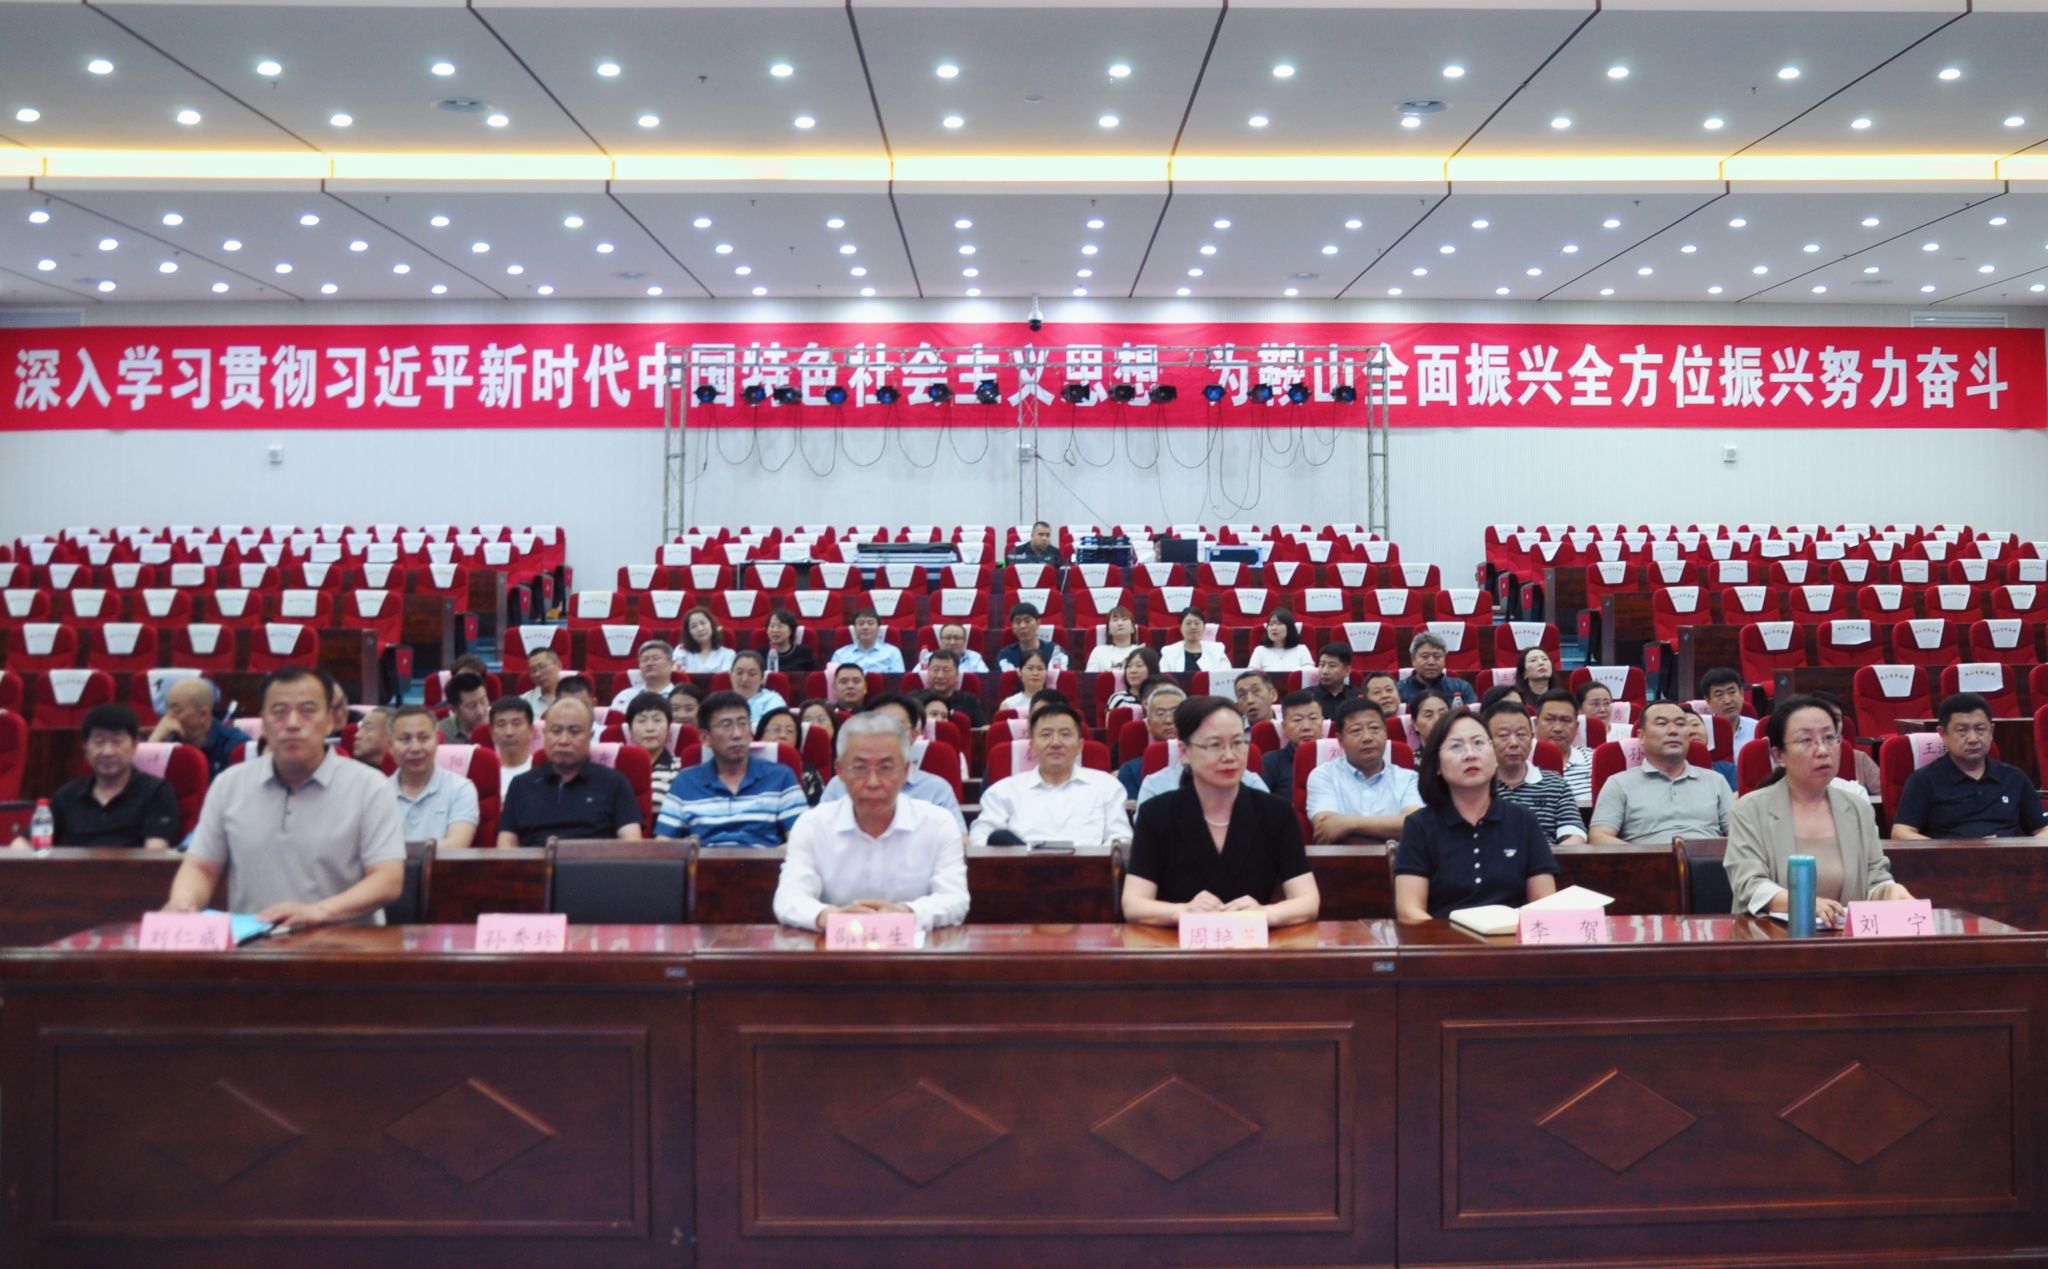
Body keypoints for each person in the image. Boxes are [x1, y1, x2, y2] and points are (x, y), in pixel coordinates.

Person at [165, 667, 405, 924]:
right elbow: (201, 867)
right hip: (253, 942)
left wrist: (318, 911)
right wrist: (183, 902)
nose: (292, 723)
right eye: (279, 711)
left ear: (330, 721)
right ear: (264, 724)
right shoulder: (229, 785)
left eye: (307, 710)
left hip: (343, 942)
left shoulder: (370, 786)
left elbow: (388, 879)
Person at [1121, 696, 1319, 928]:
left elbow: (1308, 900)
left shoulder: (1276, 812)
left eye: (1238, 743)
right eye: (1215, 745)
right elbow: (1133, 904)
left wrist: (1266, 913)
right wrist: (1181, 911)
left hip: (1252, 940)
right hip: (1176, 942)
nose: (1230, 756)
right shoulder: (1156, 813)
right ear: (1184, 751)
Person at [1725, 694, 1916, 922]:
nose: (1823, 750)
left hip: (1845, 937)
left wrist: (1889, 891)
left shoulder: (1857, 808)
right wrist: (1803, 902)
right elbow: (1749, 884)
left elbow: (1875, 878)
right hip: (1771, 935)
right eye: (1806, 740)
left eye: (1829, 738)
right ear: (1779, 755)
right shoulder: (1750, 809)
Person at [772, 711, 969, 931]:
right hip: (836, 944)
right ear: (840, 771)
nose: (873, 782)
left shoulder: (938, 824)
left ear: (905, 771)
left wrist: (907, 913)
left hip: (915, 947)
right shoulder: (812, 825)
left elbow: (955, 898)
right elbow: (789, 898)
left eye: (886, 768)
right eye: (860, 768)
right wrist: (827, 916)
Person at [1393, 710, 1560, 921]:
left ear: (1494, 757)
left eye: (1479, 743)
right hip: (1443, 938)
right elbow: (1409, 910)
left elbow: (1544, 901)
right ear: (1437, 766)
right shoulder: (1419, 826)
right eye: (1456, 746)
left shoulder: (1523, 820)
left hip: (1512, 936)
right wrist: (1448, 938)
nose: (1470, 754)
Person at [15, 705, 179, 849]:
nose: (107, 752)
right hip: (76, 874)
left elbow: (155, 854)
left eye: (117, 742)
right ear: (85, 748)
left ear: (134, 745)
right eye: (99, 742)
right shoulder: (68, 795)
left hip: (134, 874)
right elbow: (23, 843)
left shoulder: (156, 792)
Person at [971, 701, 1132, 848]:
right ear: (1032, 746)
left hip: (1092, 870)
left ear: (1080, 746)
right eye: (1046, 735)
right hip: (1020, 870)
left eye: (1065, 734)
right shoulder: (1003, 791)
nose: (1055, 743)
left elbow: (1121, 839)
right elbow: (980, 839)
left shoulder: (1107, 787)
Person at [655, 690, 805, 846]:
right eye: (726, 725)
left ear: (751, 732)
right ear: (705, 737)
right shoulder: (685, 782)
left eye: (743, 723)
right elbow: (663, 846)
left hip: (766, 859)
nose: (737, 734)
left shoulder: (781, 777)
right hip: (704, 860)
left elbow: (802, 841)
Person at [1893, 691, 2048, 839]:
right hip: (1948, 857)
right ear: (1943, 734)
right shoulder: (1924, 780)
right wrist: (1957, 851)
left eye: (1980, 729)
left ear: (1991, 731)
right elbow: (1901, 833)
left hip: (2008, 856)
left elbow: (2044, 829)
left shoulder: (2014, 778)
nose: (1973, 739)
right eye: (1962, 730)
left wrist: (2017, 850)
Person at [496, 697, 646, 847]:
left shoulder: (615, 783)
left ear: (590, 736)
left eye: (574, 731)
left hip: (595, 861)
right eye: (556, 731)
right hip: (535, 861)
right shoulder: (520, 785)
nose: (563, 740)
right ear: (545, 734)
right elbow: (505, 849)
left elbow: (632, 847)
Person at [1588, 699, 1735, 844]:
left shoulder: (1716, 780)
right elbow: (1598, 837)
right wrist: (1644, 856)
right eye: (1662, 724)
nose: (1673, 731)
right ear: (1642, 736)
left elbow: (1739, 834)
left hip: (1709, 857)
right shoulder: (1619, 783)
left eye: (1680, 724)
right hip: (1646, 857)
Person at [817, 697, 967, 832]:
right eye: (878, 726)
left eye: (897, 727)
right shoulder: (838, 784)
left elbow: (959, 840)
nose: (886, 734)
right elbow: (820, 833)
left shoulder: (937, 788)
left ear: (914, 735)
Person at [1306, 698, 1422, 843]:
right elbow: (1327, 828)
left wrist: (1347, 824)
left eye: (1374, 728)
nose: (1367, 737)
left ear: (1386, 732)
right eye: (1356, 731)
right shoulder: (1323, 775)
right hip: (1340, 858)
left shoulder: (1410, 778)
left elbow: (1415, 827)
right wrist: (1393, 829)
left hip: (1397, 858)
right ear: (1340, 740)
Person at [1483, 699, 1585, 844]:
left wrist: (1545, 856)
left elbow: (1575, 835)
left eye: (1521, 734)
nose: (1514, 743)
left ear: (1532, 738)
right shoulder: (1477, 785)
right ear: (1487, 740)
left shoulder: (1556, 784)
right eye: (1503, 735)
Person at [386, 704, 479, 849]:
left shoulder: (461, 789)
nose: (415, 748)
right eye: (405, 739)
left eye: (424, 738)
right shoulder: (376, 792)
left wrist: (393, 851)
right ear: (390, 746)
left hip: (441, 865)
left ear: (437, 740)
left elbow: (457, 845)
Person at [147, 677, 246, 777]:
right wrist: (154, 741)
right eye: (167, 709)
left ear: (203, 715)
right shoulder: (170, 740)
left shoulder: (235, 745)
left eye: (176, 710)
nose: (167, 718)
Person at [1117, 680, 1188, 800]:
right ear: (1148, 724)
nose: (1169, 720)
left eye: (1175, 712)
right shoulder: (1130, 770)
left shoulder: (1205, 762)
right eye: (1160, 714)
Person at [1534, 689, 1594, 808]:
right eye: (1549, 719)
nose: (1558, 728)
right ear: (1536, 723)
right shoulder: (1521, 760)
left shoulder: (1595, 760)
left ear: (1576, 726)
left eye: (1566, 720)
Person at [757, 706, 825, 805]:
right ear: (760, 736)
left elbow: (817, 810)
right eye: (776, 729)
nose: (783, 735)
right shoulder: (745, 768)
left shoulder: (807, 773)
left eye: (790, 731)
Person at [625, 690, 681, 804]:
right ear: (630, 729)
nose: (650, 728)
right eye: (642, 721)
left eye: (657, 720)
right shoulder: (619, 766)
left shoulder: (680, 767)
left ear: (668, 727)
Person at [1263, 691, 1324, 793]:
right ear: (1284, 727)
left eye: (1313, 718)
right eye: (1297, 720)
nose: (1306, 727)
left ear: (1322, 722)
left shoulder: (1337, 759)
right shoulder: (1270, 762)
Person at [1400, 631, 1475, 705]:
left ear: (1445, 659)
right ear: (1413, 659)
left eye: (1437, 656)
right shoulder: (1400, 690)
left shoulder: (1461, 688)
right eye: (1425, 656)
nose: (1431, 662)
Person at [918, 650, 986, 728]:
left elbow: (982, 729)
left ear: (957, 674)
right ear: (928, 672)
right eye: (935, 670)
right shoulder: (915, 699)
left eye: (946, 670)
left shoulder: (969, 701)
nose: (940, 676)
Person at [830, 606, 907, 674]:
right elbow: (834, 681)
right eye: (861, 624)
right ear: (854, 629)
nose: (865, 627)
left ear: (878, 628)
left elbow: (897, 681)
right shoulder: (840, 654)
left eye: (870, 623)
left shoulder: (892, 652)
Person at [609, 640, 680, 711]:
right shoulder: (626, 696)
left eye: (655, 658)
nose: (649, 663)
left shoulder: (680, 697)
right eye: (644, 660)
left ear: (671, 664)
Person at [997, 602, 1068, 672]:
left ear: (1038, 623)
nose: (1023, 626)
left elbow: (1061, 677)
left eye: (1027, 621)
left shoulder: (1055, 652)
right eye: (1018, 622)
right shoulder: (1005, 655)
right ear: (1012, 627)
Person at [1700, 667, 1759, 751]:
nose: (1728, 701)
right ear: (1708, 701)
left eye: (1732, 692)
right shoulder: (1702, 732)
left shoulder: (1757, 728)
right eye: (1719, 695)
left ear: (1741, 693)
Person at [1159, 609, 1232, 674]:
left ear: (1204, 627)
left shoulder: (1217, 649)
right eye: (1188, 623)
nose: (1193, 627)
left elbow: (1226, 675)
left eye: (1197, 623)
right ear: (1180, 628)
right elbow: (1164, 677)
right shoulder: (1169, 652)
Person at [489, 695, 535, 795]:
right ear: (492, 733)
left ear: (531, 730)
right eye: (501, 724)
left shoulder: (540, 768)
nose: (509, 732)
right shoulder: (485, 774)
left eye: (516, 723)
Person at [1247, 609, 1315, 675]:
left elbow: (1309, 674)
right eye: (1271, 624)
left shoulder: (1301, 649)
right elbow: (1251, 676)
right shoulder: (1260, 650)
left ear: (1289, 627)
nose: (1274, 628)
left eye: (1279, 624)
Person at [729, 649, 787, 726]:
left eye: (752, 674)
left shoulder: (773, 700)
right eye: (739, 673)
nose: (744, 679)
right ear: (730, 675)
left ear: (762, 679)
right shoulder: (722, 702)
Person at [1083, 604, 1145, 674]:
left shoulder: (1141, 651)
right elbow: (1090, 678)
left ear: (1133, 629)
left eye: (1124, 619)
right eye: (1115, 620)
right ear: (1109, 630)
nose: (1120, 623)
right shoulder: (1098, 651)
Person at [1104, 646, 1161, 717]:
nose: (1132, 671)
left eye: (1139, 666)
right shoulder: (1118, 699)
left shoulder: (1162, 697)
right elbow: (1111, 723)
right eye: (1129, 666)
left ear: (1152, 669)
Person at [677, 607, 736, 674]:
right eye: (694, 626)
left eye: (703, 623)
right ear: (688, 632)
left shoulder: (728, 654)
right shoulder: (681, 650)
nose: (700, 629)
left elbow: (724, 678)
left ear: (712, 625)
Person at [436, 671, 491, 745]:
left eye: (483, 701)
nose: (480, 711)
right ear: (454, 709)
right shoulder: (439, 732)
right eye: (471, 706)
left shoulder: (498, 725)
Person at [762, 609, 818, 677]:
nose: (775, 630)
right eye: (772, 626)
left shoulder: (804, 653)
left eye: (780, 626)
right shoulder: (761, 654)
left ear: (790, 630)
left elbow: (813, 678)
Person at [997, 648, 1052, 716]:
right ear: (1020, 672)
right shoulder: (1008, 705)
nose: (1035, 673)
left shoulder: (1056, 703)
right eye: (1030, 668)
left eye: (1040, 668)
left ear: (1047, 672)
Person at [923, 622, 991, 675]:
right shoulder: (928, 657)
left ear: (964, 642)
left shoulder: (974, 658)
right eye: (948, 638)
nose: (952, 642)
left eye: (957, 638)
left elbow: (984, 680)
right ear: (940, 641)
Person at [1311, 642, 1359, 717]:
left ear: (1347, 670)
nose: (1325, 671)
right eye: (1322, 665)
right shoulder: (1307, 697)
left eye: (1332, 666)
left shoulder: (1358, 698)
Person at [519, 647, 563, 717]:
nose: (537, 674)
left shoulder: (573, 695)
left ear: (558, 665)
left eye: (542, 667)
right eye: (533, 670)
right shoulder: (524, 701)